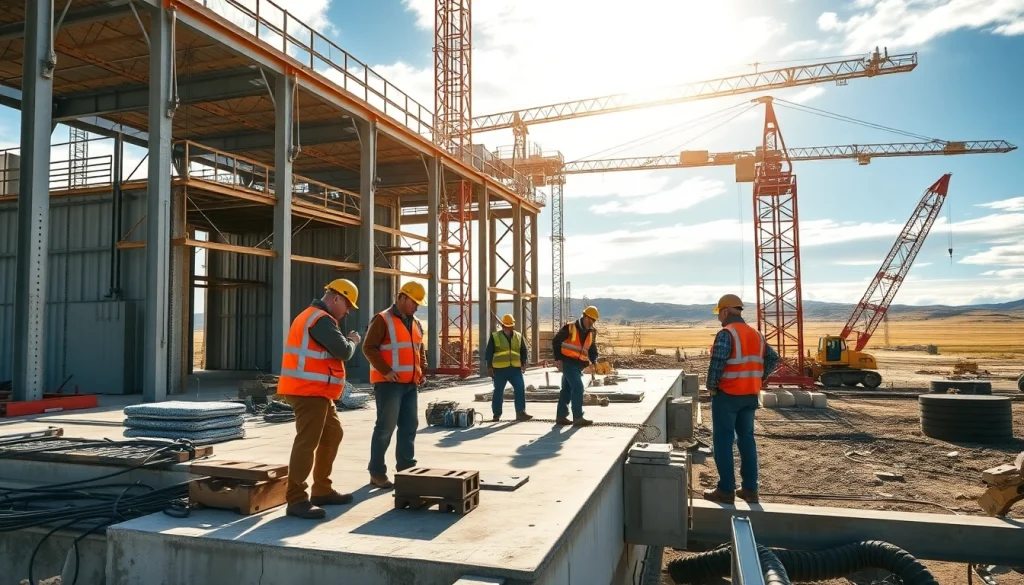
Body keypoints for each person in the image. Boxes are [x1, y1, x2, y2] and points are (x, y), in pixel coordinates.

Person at [276, 278, 362, 519]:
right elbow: (343, 351)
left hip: (317, 391)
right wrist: (354, 341)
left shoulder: (315, 317)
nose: (347, 312)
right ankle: (296, 499)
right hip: (307, 390)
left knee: (333, 433)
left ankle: (322, 490)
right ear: (336, 298)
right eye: (347, 306)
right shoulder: (320, 320)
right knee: (307, 441)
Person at [703, 294, 779, 505]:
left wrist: (711, 386)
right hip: (750, 395)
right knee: (747, 440)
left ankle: (726, 490)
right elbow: (773, 358)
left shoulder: (727, 333)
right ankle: (750, 489)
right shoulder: (756, 334)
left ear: (725, 311)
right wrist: (759, 377)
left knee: (723, 441)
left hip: (727, 395)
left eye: (719, 313)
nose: (719, 317)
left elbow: (717, 363)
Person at [362, 280, 428, 489]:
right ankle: (377, 472)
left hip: (410, 385)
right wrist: (386, 371)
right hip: (389, 385)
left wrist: (421, 371)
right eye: (414, 302)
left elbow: (419, 350)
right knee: (385, 428)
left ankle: (406, 469)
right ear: (401, 297)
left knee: (409, 427)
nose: (416, 307)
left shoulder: (416, 322)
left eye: (418, 304)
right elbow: (368, 347)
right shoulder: (382, 320)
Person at [551, 306, 600, 427]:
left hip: (579, 365)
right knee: (578, 387)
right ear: (585, 316)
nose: (592, 322)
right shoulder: (570, 327)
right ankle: (578, 417)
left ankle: (561, 416)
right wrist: (558, 359)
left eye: (594, 320)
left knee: (567, 390)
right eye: (591, 319)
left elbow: (592, 348)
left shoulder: (591, 332)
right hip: (567, 362)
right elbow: (556, 341)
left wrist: (594, 360)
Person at [486, 313, 532, 422]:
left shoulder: (518, 336)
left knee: (520, 388)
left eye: (510, 325)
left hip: (515, 369)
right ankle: (496, 414)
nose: (508, 327)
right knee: (498, 391)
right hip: (500, 370)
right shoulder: (495, 336)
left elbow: (523, 350)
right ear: (502, 325)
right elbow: (489, 353)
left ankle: (520, 412)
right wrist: (489, 367)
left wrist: (524, 363)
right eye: (507, 325)